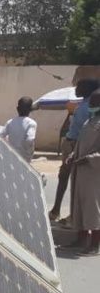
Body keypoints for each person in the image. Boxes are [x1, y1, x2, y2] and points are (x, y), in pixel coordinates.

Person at [49, 78, 100, 222]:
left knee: (76, 181)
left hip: (78, 145)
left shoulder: (90, 105)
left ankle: (73, 215)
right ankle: (57, 210)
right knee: (64, 176)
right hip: (71, 143)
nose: (76, 89)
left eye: (79, 86)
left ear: (88, 89)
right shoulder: (82, 104)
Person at [65, 91, 100, 255]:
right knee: (78, 204)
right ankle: (81, 238)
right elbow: (80, 142)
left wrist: (88, 159)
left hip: (93, 173)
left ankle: (94, 244)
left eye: (94, 102)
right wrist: (73, 155)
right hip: (80, 170)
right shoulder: (89, 121)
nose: (91, 105)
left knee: (93, 208)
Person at [1, 97, 37, 161]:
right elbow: (29, 140)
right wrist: (29, 153)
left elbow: (0, 135)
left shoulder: (10, 122)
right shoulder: (31, 123)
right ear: (31, 109)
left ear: (17, 109)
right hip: (24, 158)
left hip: (11, 155)